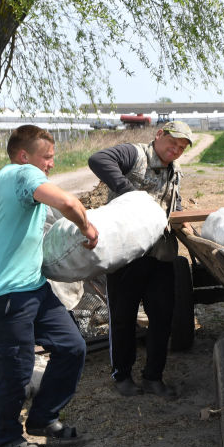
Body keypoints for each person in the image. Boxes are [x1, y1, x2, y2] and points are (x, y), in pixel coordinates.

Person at [0, 125, 99, 447]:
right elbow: (66, 201)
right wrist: (88, 227)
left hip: (32, 288)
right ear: (25, 156)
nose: (51, 164)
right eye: (47, 157)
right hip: (4, 296)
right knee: (16, 368)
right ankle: (7, 435)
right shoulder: (23, 174)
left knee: (71, 346)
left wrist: (2, 243)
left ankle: (42, 418)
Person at [88, 121, 192, 398]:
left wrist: (183, 220)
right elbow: (98, 159)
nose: (176, 149)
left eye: (182, 147)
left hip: (160, 255)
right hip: (126, 253)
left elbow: (173, 202)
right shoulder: (136, 155)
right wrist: (128, 192)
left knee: (162, 316)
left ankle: (153, 377)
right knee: (123, 318)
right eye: (173, 142)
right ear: (159, 135)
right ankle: (122, 375)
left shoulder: (175, 170)